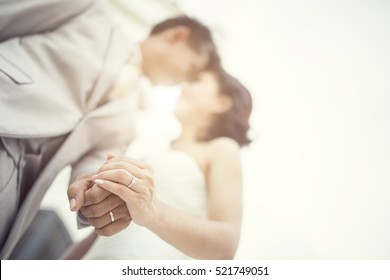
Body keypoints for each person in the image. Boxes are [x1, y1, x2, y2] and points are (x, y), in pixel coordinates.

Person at [0, 0, 219, 259]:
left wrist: (97, 195)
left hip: (11, 195)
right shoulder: (87, 10)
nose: (184, 80)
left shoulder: (128, 126)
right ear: (177, 36)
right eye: (191, 69)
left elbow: (91, 174)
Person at [63, 66, 252, 259]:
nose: (184, 87)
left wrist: (153, 211)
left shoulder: (222, 148)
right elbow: (97, 236)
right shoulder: (158, 156)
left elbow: (225, 246)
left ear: (221, 102)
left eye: (195, 81)